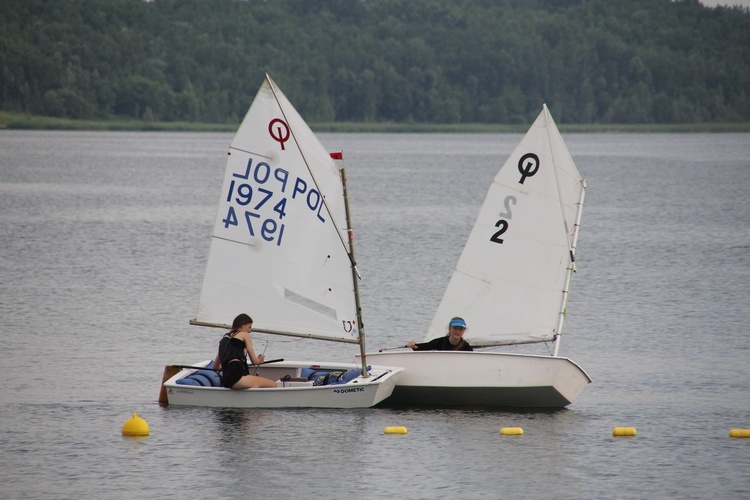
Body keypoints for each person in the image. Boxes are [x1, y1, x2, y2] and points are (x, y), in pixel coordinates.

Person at [213, 313, 277, 389]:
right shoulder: (244, 335)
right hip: (238, 377)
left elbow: (216, 366)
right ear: (242, 325)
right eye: (249, 327)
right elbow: (254, 361)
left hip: (226, 379)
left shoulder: (225, 339)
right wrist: (260, 359)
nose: (250, 331)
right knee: (273, 385)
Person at [406, 317, 473, 351]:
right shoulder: (439, 342)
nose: (457, 331)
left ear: (464, 331)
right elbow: (423, 347)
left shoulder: (466, 347)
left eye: (460, 329)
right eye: (455, 328)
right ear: (450, 328)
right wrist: (413, 345)